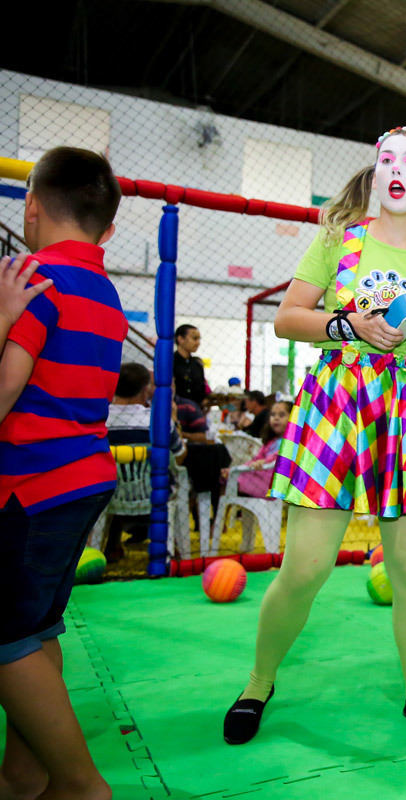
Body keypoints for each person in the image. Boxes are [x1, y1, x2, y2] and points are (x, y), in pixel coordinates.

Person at [223, 125, 406, 744]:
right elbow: (288, 319)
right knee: (305, 568)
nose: (397, 168)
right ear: (375, 172)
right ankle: (258, 682)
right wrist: (348, 325)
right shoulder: (340, 239)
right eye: (387, 159)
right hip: (338, 401)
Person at [0, 146, 125, 800]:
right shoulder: (106, 291)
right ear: (108, 229)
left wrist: (2, 316)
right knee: (36, 628)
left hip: (30, 483)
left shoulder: (32, 279)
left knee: (7, 637)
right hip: (82, 481)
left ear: (31, 207)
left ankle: (79, 783)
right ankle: (23, 773)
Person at [104, 363, 188, 561]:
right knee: (180, 478)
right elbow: (179, 456)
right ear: (145, 390)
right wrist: (174, 419)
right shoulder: (158, 420)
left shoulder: (101, 419)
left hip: (109, 492)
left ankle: (111, 544)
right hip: (154, 492)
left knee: (120, 477)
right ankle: (172, 547)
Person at [222, 401, 293, 498]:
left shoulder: (293, 440)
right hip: (262, 475)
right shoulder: (271, 441)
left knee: (234, 479)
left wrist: (264, 461)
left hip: (276, 482)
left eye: (281, 415)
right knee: (231, 476)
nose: (276, 418)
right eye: (273, 415)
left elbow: (280, 455)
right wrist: (237, 469)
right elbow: (257, 458)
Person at [173, 324, 207, 407]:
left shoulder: (197, 364)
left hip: (196, 410)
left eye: (199, 339)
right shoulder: (170, 362)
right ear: (180, 339)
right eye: (194, 338)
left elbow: (201, 391)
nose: (198, 343)